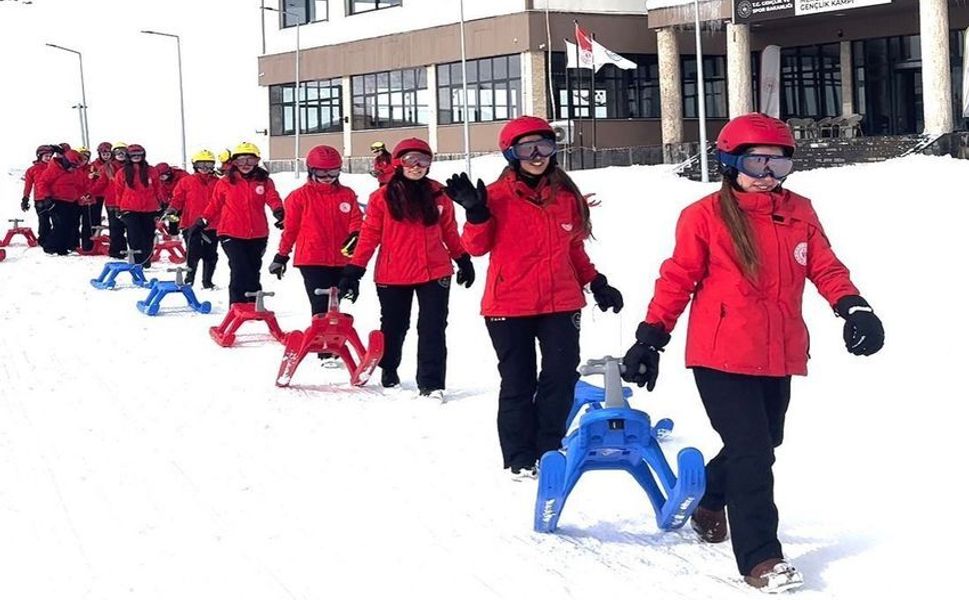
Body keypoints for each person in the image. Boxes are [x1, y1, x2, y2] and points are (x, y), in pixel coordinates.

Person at [620, 113, 885, 592]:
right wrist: (649, 338)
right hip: (720, 354)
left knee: (766, 442)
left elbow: (825, 267)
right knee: (752, 452)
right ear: (729, 162)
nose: (767, 174)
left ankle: (709, 497)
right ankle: (762, 557)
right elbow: (677, 279)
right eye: (756, 161)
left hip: (779, 350)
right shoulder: (704, 216)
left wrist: (854, 308)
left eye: (778, 164)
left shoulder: (800, 211)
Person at [445, 115, 624, 480]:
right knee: (518, 381)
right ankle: (519, 456)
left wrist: (597, 282)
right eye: (528, 148)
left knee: (560, 377)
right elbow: (475, 248)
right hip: (509, 305)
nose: (538, 155)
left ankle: (548, 448)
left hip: (560, 302)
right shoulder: (493, 197)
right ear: (511, 154)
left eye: (545, 146)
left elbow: (573, 250)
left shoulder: (566, 198)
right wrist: (476, 214)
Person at [338, 138, 472, 400]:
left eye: (424, 160)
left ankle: (431, 383)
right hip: (393, 272)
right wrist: (354, 271)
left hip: (435, 271)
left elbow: (449, 232)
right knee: (395, 325)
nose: (418, 166)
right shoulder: (381, 198)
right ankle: (389, 368)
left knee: (433, 326)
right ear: (399, 162)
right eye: (411, 160)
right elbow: (369, 236)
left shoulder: (439, 194)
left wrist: (462, 259)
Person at [269, 145, 363, 317]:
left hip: (341, 258)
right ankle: (319, 340)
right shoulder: (298, 197)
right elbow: (290, 230)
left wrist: (355, 234)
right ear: (311, 170)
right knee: (321, 304)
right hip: (312, 259)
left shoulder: (347, 194)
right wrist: (281, 256)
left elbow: (356, 219)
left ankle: (332, 339)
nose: (328, 178)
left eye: (333, 172)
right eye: (321, 173)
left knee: (335, 302)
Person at [187, 142, 283, 305]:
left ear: (257, 161)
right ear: (234, 163)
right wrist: (203, 220)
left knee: (253, 268)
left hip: (258, 234)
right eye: (241, 161)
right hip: (230, 233)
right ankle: (236, 305)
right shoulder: (225, 182)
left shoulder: (264, 181)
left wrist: (279, 212)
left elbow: (272, 198)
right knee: (239, 268)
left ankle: (253, 303)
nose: (246, 165)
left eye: (250, 161)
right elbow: (215, 204)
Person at [168, 150, 220, 288]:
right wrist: (172, 208)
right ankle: (189, 278)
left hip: (212, 224)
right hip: (191, 223)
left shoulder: (218, 183)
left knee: (211, 255)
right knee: (193, 253)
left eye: (208, 164)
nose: (205, 168)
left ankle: (207, 281)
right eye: (201, 164)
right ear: (195, 165)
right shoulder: (186, 182)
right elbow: (177, 199)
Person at [113, 143, 162, 267]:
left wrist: (161, 204)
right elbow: (118, 191)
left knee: (148, 234)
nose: (136, 157)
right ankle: (138, 260)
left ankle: (146, 260)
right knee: (134, 235)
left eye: (138, 154)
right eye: (133, 155)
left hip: (150, 208)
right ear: (128, 156)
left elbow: (158, 189)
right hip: (129, 209)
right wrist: (118, 207)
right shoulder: (122, 172)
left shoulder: (151, 170)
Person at [35, 148, 88, 255]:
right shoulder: (53, 169)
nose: (73, 168)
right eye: (72, 166)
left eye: (75, 166)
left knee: (70, 225)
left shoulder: (76, 172)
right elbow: (42, 183)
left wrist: (84, 196)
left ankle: (64, 246)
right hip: (57, 201)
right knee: (60, 225)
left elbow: (80, 185)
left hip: (72, 201)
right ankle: (50, 246)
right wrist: (46, 197)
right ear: (66, 161)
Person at [89, 143, 128, 257]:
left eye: (123, 152)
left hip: (129, 202)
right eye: (117, 152)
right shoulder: (107, 167)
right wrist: (90, 193)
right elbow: (101, 183)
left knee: (131, 228)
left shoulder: (132, 167)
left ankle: (134, 251)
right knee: (115, 227)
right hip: (113, 202)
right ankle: (117, 252)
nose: (120, 155)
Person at [21, 144, 56, 246]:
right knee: (43, 220)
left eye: (50, 156)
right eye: (46, 156)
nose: (49, 158)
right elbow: (28, 185)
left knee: (56, 220)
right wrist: (25, 198)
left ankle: (54, 239)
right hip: (40, 199)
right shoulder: (32, 170)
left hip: (53, 197)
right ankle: (44, 239)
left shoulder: (54, 167)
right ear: (40, 156)